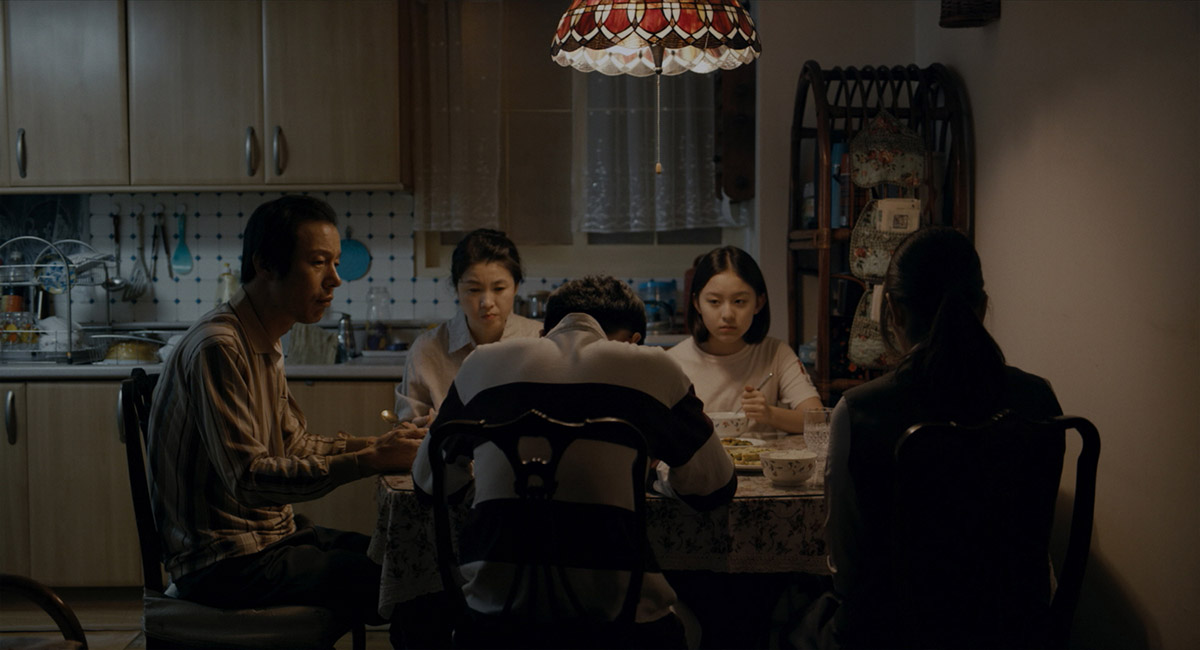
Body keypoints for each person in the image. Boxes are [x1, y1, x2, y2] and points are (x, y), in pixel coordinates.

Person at [410, 275, 737, 649]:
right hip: (622, 631)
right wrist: (652, 475)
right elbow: (713, 487)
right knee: (705, 621)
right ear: (632, 342)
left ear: (545, 331)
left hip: (495, 624)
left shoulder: (480, 364)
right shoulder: (654, 367)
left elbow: (429, 483)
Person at [146, 195, 424, 632]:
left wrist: (381, 445)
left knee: (410, 554)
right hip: (224, 561)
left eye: (335, 263)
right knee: (410, 580)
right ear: (265, 265)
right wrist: (369, 460)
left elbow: (294, 444)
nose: (335, 279)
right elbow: (248, 479)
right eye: (318, 262)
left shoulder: (263, 336)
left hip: (270, 538)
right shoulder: (219, 346)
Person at [792, 227, 1064, 649]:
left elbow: (847, 568)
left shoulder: (861, 410)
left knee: (790, 614)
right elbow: (1035, 543)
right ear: (982, 305)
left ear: (894, 311)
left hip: (893, 633)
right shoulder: (1038, 397)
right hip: (1014, 628)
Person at [394, 228, 542, 425]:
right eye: (473, 290)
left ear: (515, 287)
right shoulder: (427, 349)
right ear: (457, 289)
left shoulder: (540, 339)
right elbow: (408, 428)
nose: (487, 302)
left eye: (499, 289)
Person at [668, 246, 823, 434]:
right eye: (714, 302)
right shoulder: (673, 362)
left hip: (760, 455)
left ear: (758, 303)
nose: (727, 314)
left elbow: (817, 419)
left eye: (739, 301)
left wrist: (770, 414)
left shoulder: (775, 353)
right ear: (697, 303)